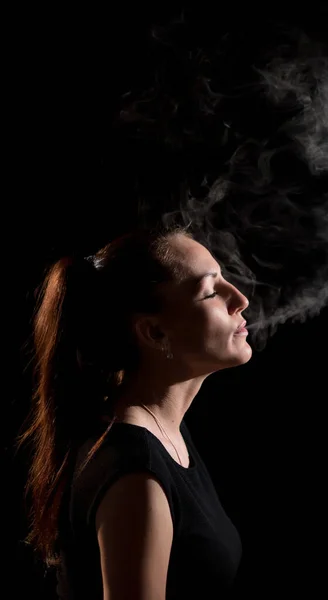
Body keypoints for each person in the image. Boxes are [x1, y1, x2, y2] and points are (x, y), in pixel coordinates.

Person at [17, 225, 252, 599]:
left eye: (224, 280)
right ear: (155, 333)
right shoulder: (136, 474)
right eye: (210, 292)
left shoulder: (162, 432)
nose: (240, 299)